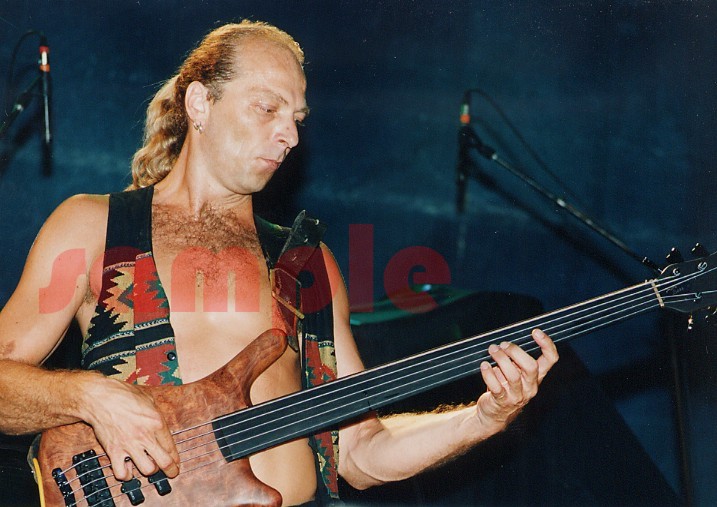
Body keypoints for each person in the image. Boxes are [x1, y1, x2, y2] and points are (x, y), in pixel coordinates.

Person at [0, 20, 558, 506]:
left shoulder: (306, 263)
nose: (289, 134)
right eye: (267, 108)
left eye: (296, 118)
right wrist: (89, 397)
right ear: (200, 104)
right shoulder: (92, 227)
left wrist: (481, 418)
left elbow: (359, 450)